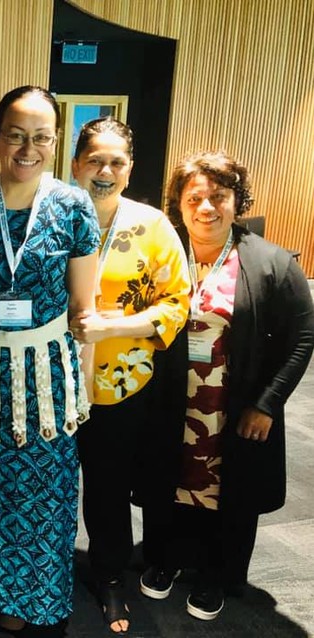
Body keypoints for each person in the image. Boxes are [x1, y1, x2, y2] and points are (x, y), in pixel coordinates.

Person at [138, 151, 314, 621]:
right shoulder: (161, 252)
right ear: (178, 203)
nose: (206, 207)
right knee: (169, 483)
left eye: (219, 196)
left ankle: (218, 574)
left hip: (234, 406)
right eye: (194, 197)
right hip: (173, 402)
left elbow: (302, 339)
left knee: (228, 490)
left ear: (238, 201)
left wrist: (267, 404)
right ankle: (165, 560)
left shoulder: (273, 263)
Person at [0, 86, 99, 638]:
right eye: (15, 135)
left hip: (45, 374)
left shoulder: (72, 206)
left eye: (41, 136)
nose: (27, 147)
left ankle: (31, 606)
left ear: (55, 141)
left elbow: (83, 308)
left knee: (43, 495)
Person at [69, 116, 191, 634]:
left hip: (121, 383)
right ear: (75, 163)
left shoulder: (153, 225)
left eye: (116, 161)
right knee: (44, 483)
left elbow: (176, 302)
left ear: (130, 168)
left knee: (108, 486)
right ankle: (41, 571)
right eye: (95, 159)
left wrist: (114, 326)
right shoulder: (50, 212)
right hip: (47, 381)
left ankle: (109, 576)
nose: (105, 170)